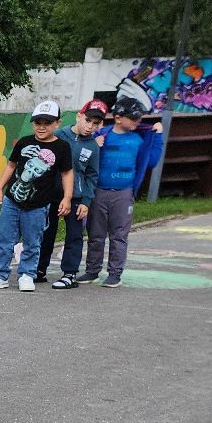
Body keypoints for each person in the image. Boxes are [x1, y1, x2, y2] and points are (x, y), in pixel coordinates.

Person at [0, 99, 74, 292]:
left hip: (38, 206)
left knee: (32, 242)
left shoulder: (62, 147)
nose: (42, 127)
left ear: (57, 123)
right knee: (5, 240)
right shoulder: (24, 142)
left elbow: (67, 173)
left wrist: (67, 197)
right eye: (38, 123)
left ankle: (27, 275)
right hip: (12, 201)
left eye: (47, 123)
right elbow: (11, 165)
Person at [77, 98, 164, 288]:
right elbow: (84, 157)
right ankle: (92, 270)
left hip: (124, 193)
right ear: (118, 118)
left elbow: (151, 161)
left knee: (119, 235)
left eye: (139, 119)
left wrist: (157, 137)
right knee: (95, 234)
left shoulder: (139, 139)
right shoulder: (103, 135)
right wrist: (94, 144)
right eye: (133, 119)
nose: (137, 122)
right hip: (99, 191)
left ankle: (115, 273)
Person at [45, 100, 106, 290]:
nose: (90, 127)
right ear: (79, 116)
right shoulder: (59, 135)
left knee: (74, 235)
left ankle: (69, 274)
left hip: (77, 197)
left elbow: (91, 175)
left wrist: (86, 201)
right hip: (52, 194)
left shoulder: (93, 147)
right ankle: (38, 270)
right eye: (87, 120)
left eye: (95, 124)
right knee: (46, 232)